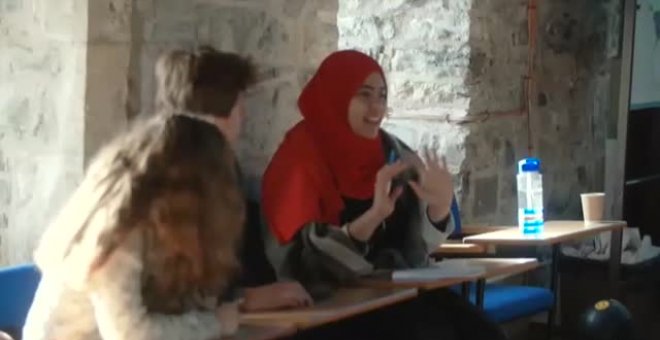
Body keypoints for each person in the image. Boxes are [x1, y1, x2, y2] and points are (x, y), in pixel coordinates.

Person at [262, 50, 508, 340]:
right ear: (335, 96)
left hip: (393, 297)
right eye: (364, 95)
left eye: (382, 95)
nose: (376, 108)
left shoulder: (393, 153)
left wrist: (439, 208)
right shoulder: (298, 162)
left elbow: (415, 252)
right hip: (330, 309)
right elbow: (301, 270)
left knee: (482, 332)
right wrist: (374, 216)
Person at [24, 48, 251, 340]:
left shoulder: (164, 225)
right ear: (190, 189)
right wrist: (215, 323)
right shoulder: (118, 229)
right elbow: (130, 334)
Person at [153, 46, 312, 313]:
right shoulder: (165, 177)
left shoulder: (225, 168)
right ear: (216, 111)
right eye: (238, 105)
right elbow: (168, 289)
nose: (243, 116)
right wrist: (244, 299)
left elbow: (250, 263)